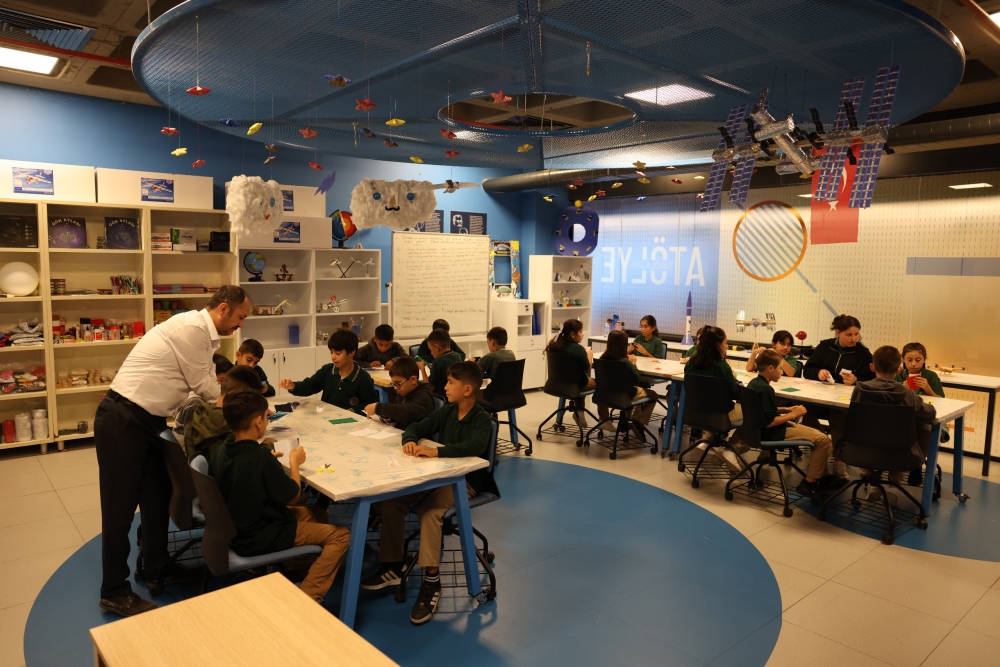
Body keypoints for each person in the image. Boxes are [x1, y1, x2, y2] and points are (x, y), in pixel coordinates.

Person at [95, 285, 251, 616]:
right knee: (119, 510)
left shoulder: (205, 336)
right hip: (124, 418)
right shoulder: (192, 329)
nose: (241, 325)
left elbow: (207, 384)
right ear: (224, 308)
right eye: (240, 317)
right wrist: (248, 407)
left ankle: (157, 567)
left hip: (148, 420)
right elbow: (205, 387)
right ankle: (113, 590)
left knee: (157, 498)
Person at [360, 361, 494, 626]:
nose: (445, 387)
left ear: (468, 389)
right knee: (392, 499)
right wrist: (410, 439)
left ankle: (432, 582)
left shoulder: (482, 419)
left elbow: (475, 446)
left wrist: (436, 451)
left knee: (430, 513)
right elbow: (416, 427)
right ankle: (395, 564)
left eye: (451, 383)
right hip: (437, 475)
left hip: (464, 481)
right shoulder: (447, 411)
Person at [209, 389, 350, 603]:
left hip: (237, 526)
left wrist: (267, 461)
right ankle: (308, 599)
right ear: (258, 421)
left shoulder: (221, 451)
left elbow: (244, 475)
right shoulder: (259, 458)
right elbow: (293, 497)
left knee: (317, 514)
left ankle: (297, 570)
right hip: (259, 534)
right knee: (340, 536)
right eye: (266, 418)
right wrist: (294, 463)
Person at [851, 345, 937, 502]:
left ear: (872, 367)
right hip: (899, 451)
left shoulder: (860, 389)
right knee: (920, 428)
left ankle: (870, 479)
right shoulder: (906, 394)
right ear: (899, 369)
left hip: (863, 449)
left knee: (872, 432)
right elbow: (929, 414)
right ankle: (894, 484)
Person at [749, 350, 835, 500]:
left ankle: (823, 476)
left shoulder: (754, 383)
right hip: (772, 432)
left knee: (819, 437)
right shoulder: (766, 389)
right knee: (823, 440)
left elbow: (762, 411)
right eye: (780, 368)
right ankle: (809, 483)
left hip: (756, 430)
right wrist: (793, 415)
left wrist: (785, 409)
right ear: (771, 368)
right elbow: (769, 422)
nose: (782, 372)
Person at [803, 315, 875, 478]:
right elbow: (808, 370)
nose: (853, 339)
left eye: (856, 334)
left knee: (839, 418)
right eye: (849, 335)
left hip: (843, 402)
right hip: (820, 397)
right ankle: (823, 444)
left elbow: (872, 380)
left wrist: (857, 380)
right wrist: (818, 372)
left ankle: (839, 460)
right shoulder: (825, 347)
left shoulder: (863, 353)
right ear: (838, 332)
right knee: (803, 411)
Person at [683, 326, 744, 473]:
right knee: (753, 410)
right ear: (718, 345)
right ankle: (732, 447)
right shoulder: (722, 367)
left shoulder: (690, 364)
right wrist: (738, 382)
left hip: (695, 413)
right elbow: (736, 394)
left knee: (712, 405)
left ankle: (707, 441)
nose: (726, 346)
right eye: (725, 343)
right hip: (721, 416)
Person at [278, 330, 379, 414]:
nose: (333, 357)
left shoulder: (362, 377)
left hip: (351, 422)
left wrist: (352, 410)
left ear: (352, 352)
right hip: (327, 417)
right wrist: (293, 386)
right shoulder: (327, 370)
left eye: (338, 353)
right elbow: (309, 386)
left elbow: (371, 403)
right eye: (331, 352)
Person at [184, 366, 265, 460]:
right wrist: (267, 445)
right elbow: (251, 459)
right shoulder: (235, 428)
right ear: (242, 399)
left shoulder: (203, 412)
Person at [597, 330, 658, 435]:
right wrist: (633, 364)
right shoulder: (625, 361)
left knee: (626, 388)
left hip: (605, 394)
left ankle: (620, 421)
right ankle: (640, 423)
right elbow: (636, 379)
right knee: (653, 395)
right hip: (624, 396)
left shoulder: (602, 359)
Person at [171, 353, 233, 444]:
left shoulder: (208, 398)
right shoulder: (195, 402)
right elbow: (191, 441)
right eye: (222, 381)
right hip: (186, 450)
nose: (225, 386)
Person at [545, 318, 594, 430]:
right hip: (574, 385)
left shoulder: (554, 345)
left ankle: (575, 413)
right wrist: (589, 354)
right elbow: (586, 369)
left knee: (575, 379)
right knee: (598, 383)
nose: (583, 335)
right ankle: (600, 417)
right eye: (581, 332)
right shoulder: (578, 349)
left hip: (555, 383)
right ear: (572, 334)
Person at [362, 356, 435, 430]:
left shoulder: (424, 397)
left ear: (413, 380)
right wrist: (391, 418)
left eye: (398, 383)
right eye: (394, 384)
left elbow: (408, 413)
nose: (395, 387)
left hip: (417, 436)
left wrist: (378, 407)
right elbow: (399, 413)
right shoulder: (403, 393)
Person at [421, 328, 463, 395]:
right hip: (455, 396)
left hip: (441, 398)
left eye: (430, 349)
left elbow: (430, 388)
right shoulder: (458, 356)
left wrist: (422, 369)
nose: (431, 353)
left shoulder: (438, 362)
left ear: (436, 347)